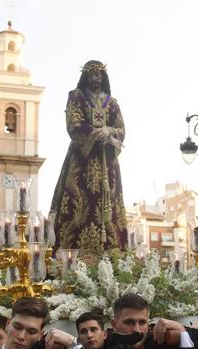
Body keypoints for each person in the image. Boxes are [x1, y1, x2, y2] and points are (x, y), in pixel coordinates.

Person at [50, 60, 127, 252]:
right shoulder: (76, 97)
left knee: (110, 207)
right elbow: (74, 124)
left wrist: (109, 131)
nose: (96, 78)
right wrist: (101, 135)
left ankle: (112, 255)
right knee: (78, 203)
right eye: (92, 75)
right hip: (81, 163)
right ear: (85, 76)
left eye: (99, 75)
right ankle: (70, 254)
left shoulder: (112, 103)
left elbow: (121, 129)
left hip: (107, 165)